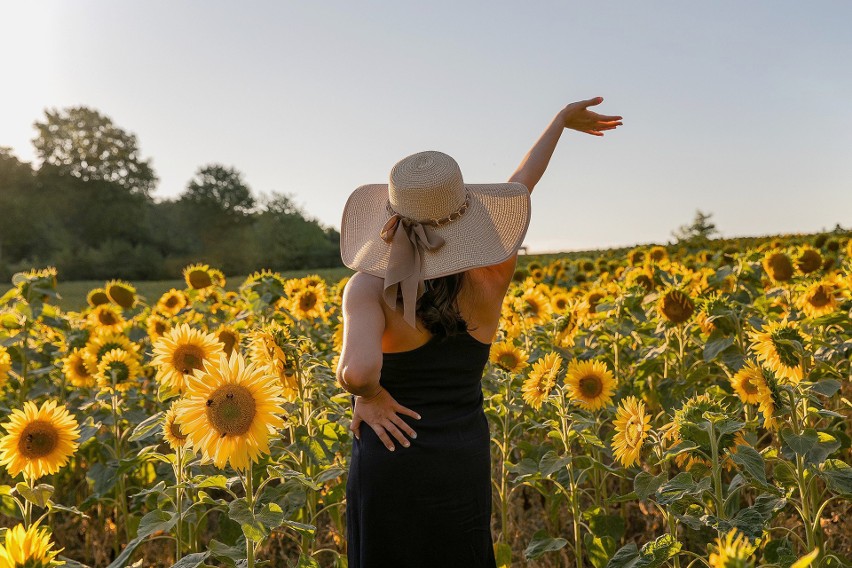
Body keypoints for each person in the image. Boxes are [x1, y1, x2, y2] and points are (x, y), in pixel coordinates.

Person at [336, 97, 623, 567]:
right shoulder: (493, 270)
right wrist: (558, 123)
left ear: (390, 213)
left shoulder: (368, 286)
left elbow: (360, 369)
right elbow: (520, 187)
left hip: (391, 453)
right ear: (465, 212)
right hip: (459, 455)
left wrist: (368, 396)